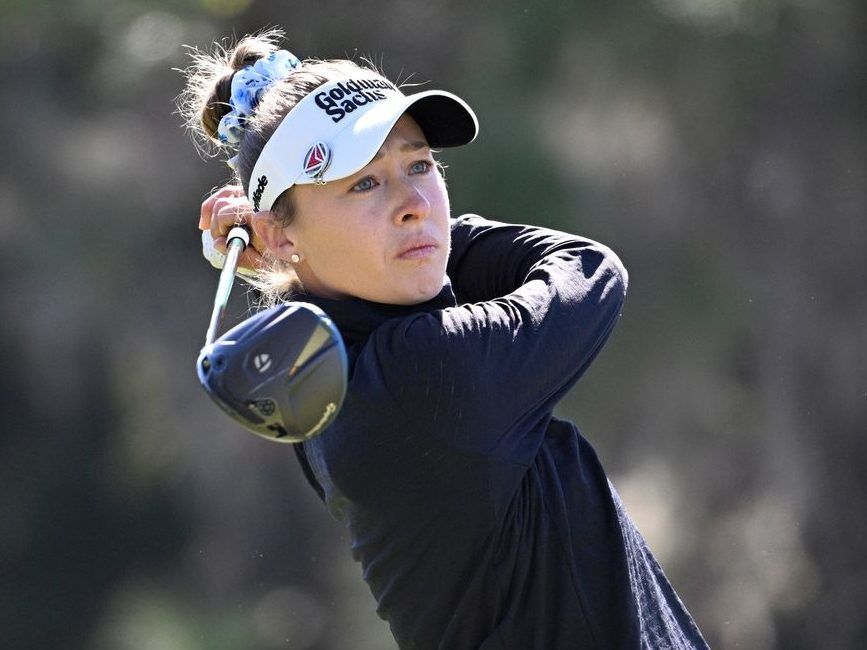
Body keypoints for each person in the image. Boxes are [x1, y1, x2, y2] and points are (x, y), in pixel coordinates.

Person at [179, 28, 709, 649]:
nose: (416, 203)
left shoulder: (324, 369)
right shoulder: (424, 373)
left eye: (420, 165)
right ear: (276, 234)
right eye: (364, 182)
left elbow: (347, 280)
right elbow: (589, 270)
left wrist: (300, 246)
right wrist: (417, 238)